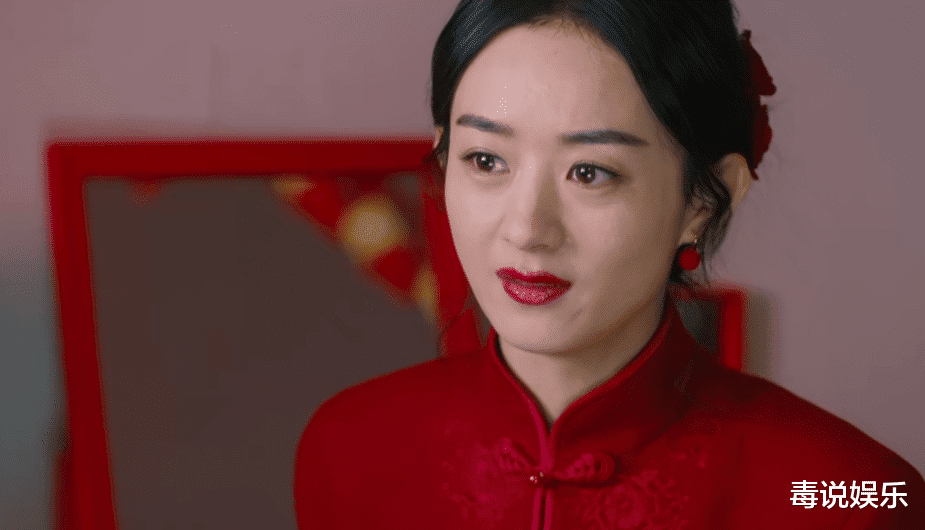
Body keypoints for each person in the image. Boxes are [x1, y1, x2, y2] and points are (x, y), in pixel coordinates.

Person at [294, 1, 925, 528]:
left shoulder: (852, 491)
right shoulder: (348, 448)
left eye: (591, 172)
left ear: (704, 201)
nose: (526, 229)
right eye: (486, 161)